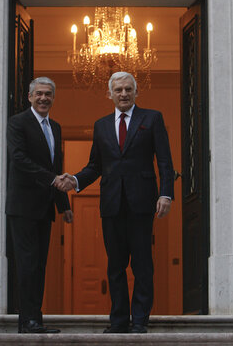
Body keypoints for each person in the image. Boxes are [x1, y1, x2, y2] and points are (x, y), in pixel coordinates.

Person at [55, 71, 174, 334]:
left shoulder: (151, 119)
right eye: (118, 90)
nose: (123, 94)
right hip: (111, 204)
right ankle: (119, 320)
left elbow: (164, 161)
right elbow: (95, 165)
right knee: (115, 266)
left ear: (136, 92)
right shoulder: (101, 125)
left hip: (142, 203)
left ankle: (140, 320)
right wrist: (74, 179)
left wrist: (166, 194)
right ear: (110, 93)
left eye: (128, 89)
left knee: (142, 264)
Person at [6, 76, 73, 334]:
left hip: (44, 208)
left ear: (53, 98)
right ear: (30, 97)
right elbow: (19, 158)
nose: (44, 98)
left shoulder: (54, 127)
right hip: (22, 206)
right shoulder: (17, 123)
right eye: (39, 94)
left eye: (48, 94)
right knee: (28, 263)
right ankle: (28, 320)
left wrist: (63, 204)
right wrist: (52, 179)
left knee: (40, 264)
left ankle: (35, 318)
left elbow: (55, 166)